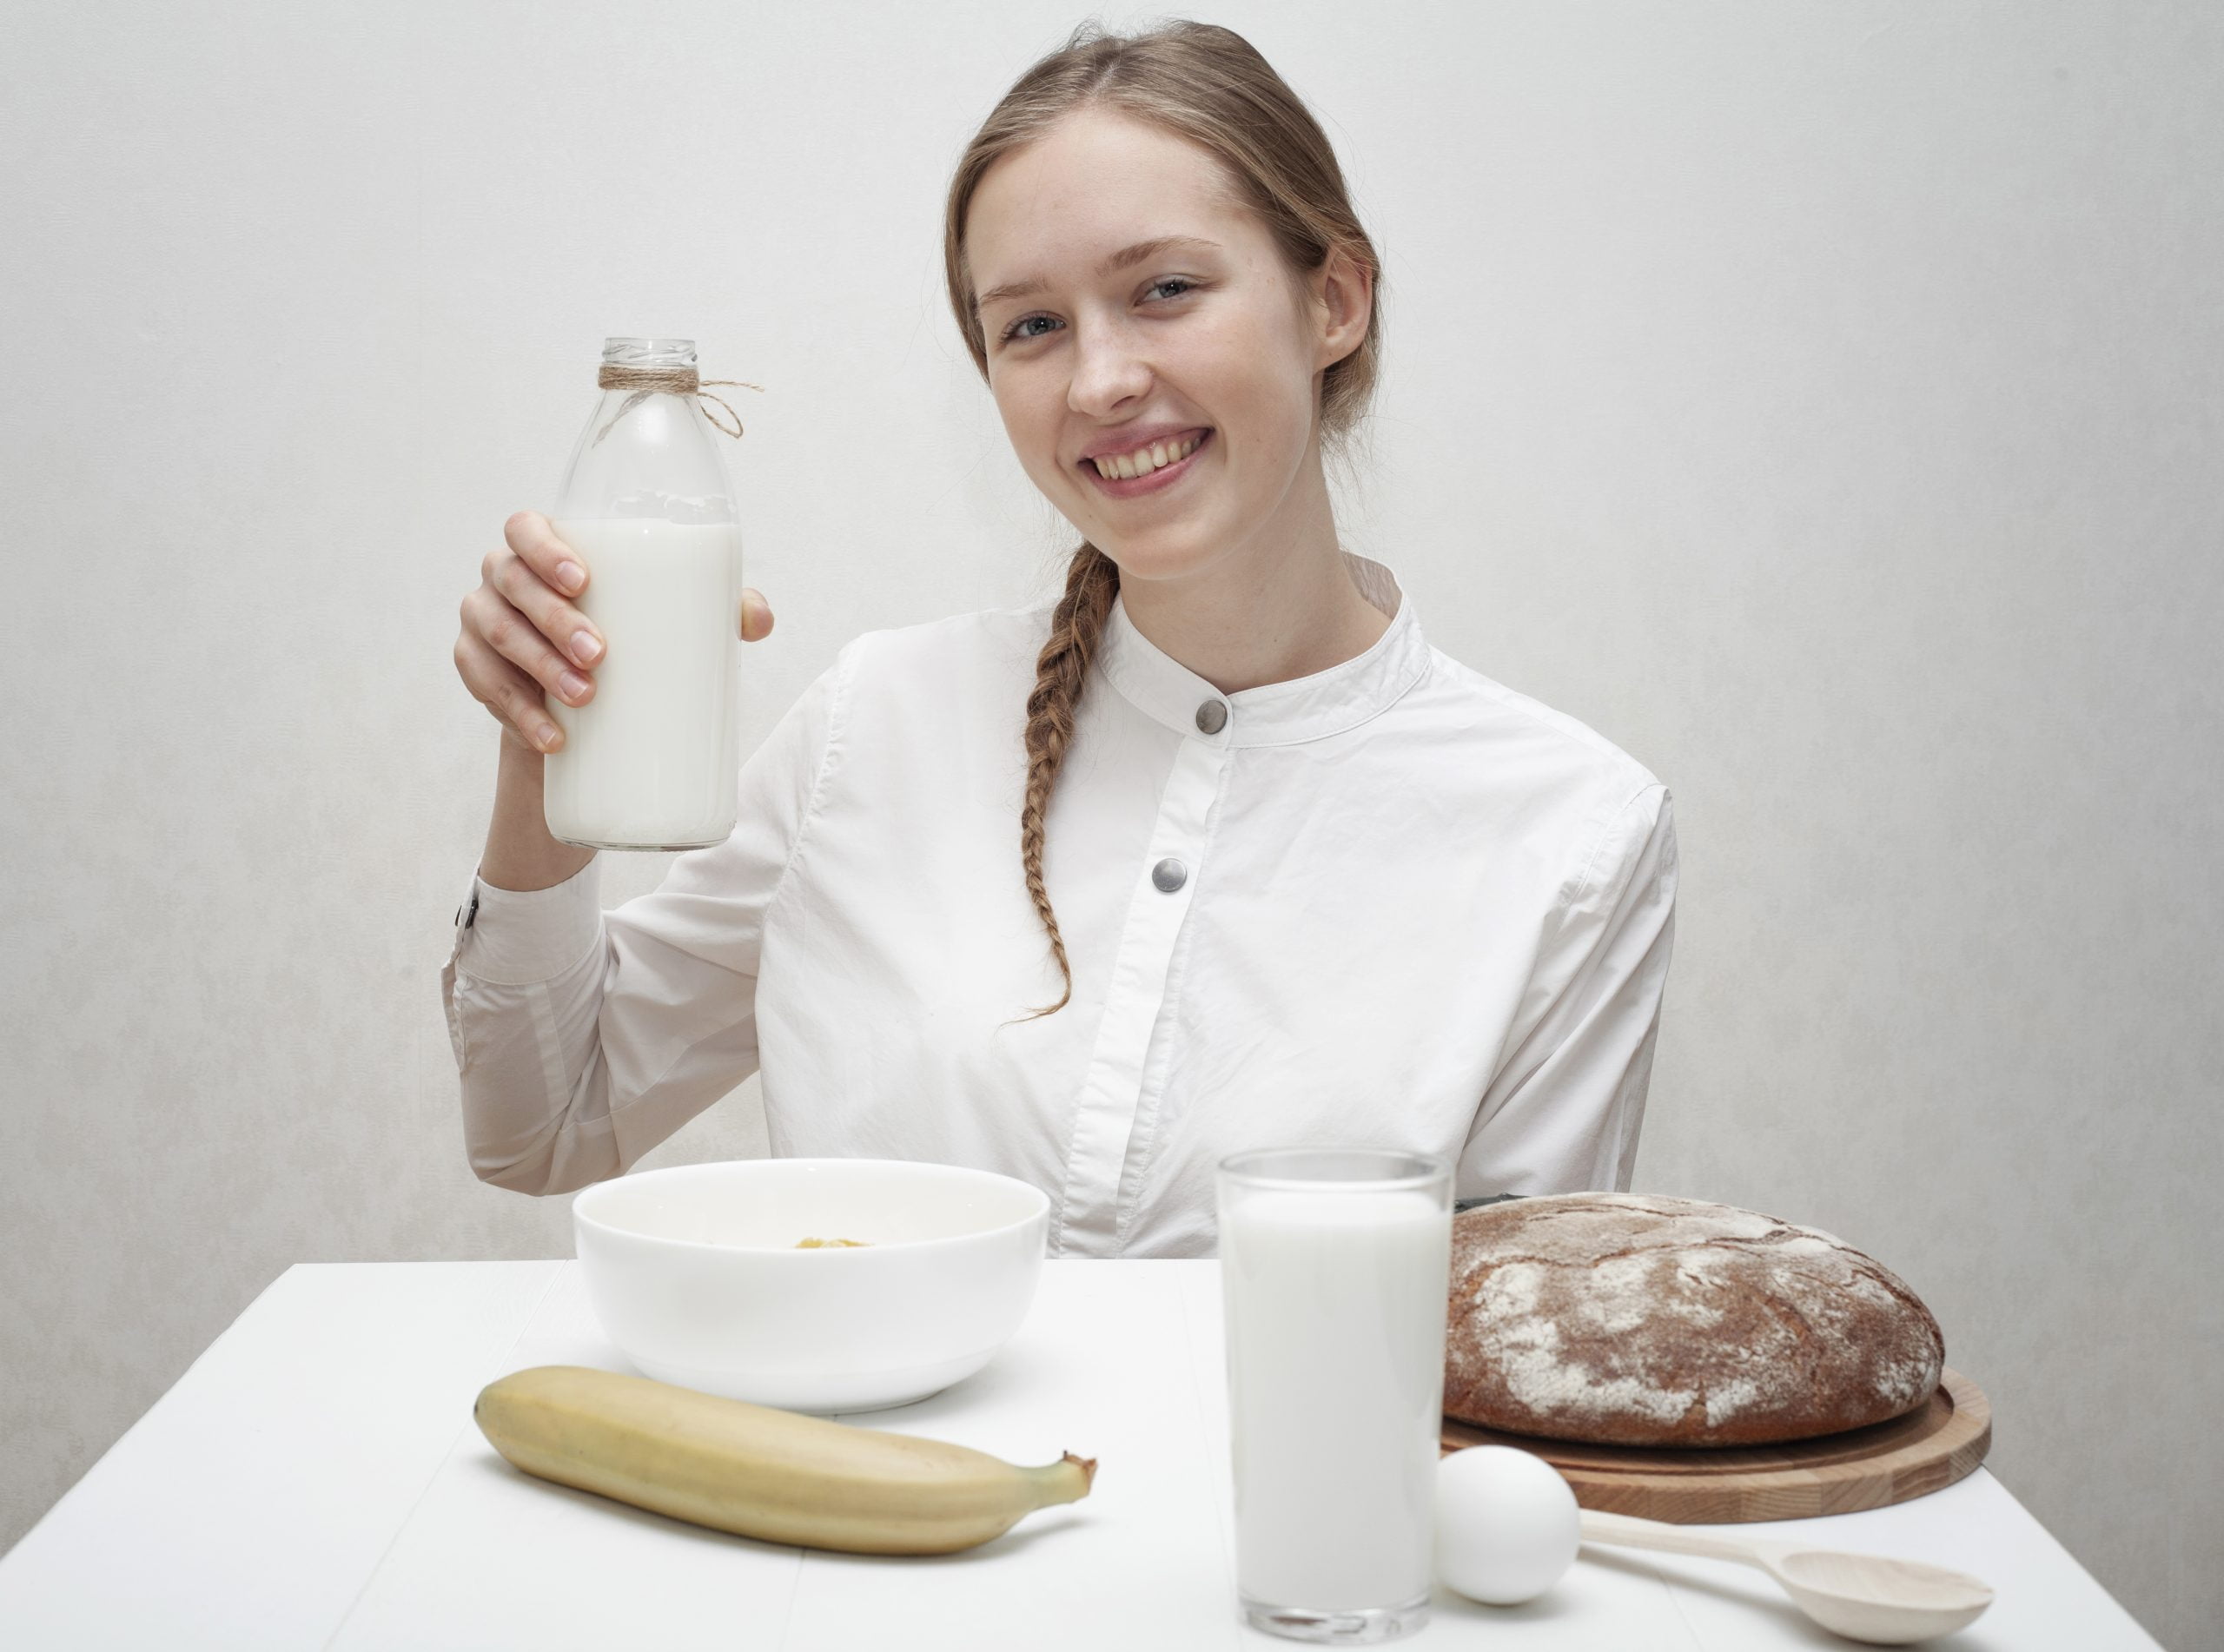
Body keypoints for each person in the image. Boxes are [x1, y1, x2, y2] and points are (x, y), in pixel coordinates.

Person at [442, 20, 1678, 1258]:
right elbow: (545, 1121)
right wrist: (542, 732)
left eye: (1166, 291)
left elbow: (1514, 1363)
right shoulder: (874, 723)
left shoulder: (1571, 832)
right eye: (1031, 326)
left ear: (1334, 300)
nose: (1099, 383)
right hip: (849, 1451)